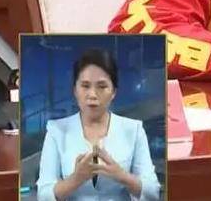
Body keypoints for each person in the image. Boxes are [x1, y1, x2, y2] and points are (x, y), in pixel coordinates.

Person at [36, 49, 159, 201]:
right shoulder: (56, 131)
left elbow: (153, 191)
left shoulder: (134, 130)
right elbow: (43, 195)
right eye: (85, 86)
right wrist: (76, 179)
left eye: (102, 86)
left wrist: (122, 176)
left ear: (113, 92)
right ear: (75, 90)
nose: (93, 95)